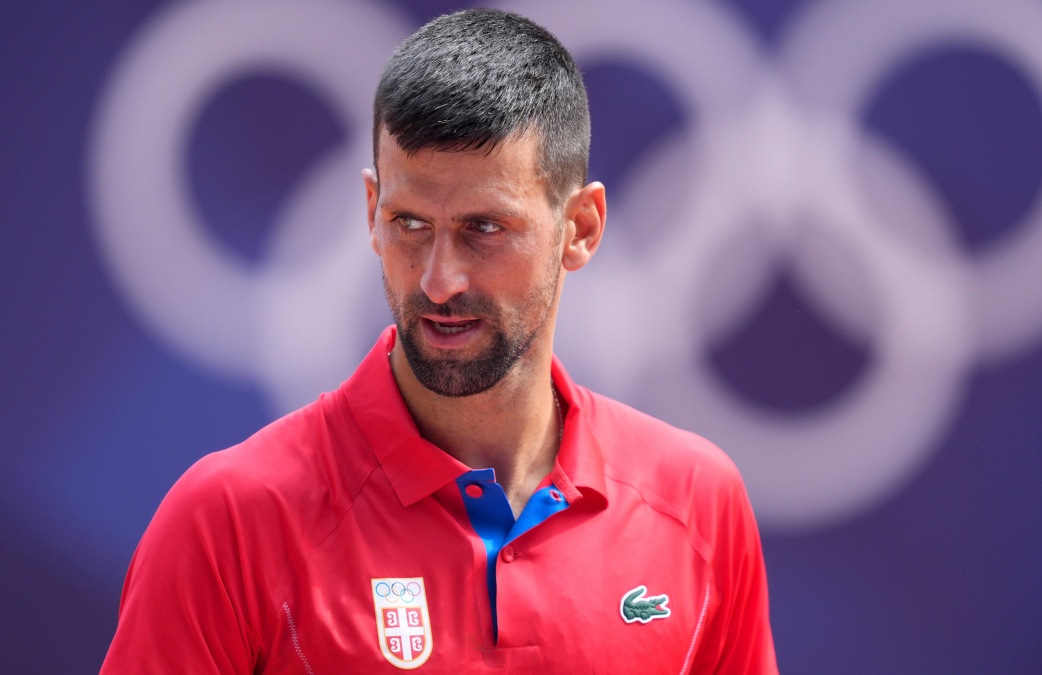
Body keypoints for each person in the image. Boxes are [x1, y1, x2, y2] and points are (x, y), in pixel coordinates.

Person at [101, 8, 776, 673]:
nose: (440, 278)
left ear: (581, 228)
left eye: (484, 227)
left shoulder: (696, 501)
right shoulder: (228, 521)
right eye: (410, 223)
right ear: (370, 213)